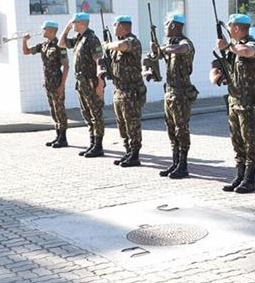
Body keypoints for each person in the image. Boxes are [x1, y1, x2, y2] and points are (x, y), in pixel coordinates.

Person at [212, 14, 255, 193]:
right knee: (237, 142)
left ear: (236, 28)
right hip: (234, 101)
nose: (228, 30)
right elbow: (220, 67)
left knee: (250, 142)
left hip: (249, 103)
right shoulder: (232, 51)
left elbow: (247, 52)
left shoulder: (252, 45)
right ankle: (240, 175)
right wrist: (218, 75)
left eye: (230, 27)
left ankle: (250, 179)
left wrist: (228, 46)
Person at [144, 13, 196, 179]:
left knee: (181, 129)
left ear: (174, 26)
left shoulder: (185, 43)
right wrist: (154, 51)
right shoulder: (169, 44)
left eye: (166, 25)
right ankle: (175, 162)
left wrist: (162, 48)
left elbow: (180, 49)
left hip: (181, 92)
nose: (165, 28)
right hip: (170, 92)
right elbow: (155, 57)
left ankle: (183, 165)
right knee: (171, 129)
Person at [59, 13, 105, 158]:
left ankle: (98, 146)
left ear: (81, 23)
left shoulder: (92, 39)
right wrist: (66, 29)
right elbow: (61, 43)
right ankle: (92, 143)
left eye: (73, 22)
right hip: (81, 83)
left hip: (92, 82)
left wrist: (100, 84)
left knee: (96, 115)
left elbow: (99, 61)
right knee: (87, 114)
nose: (72, 25)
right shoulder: (80, 38)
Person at [102, 16, 144, 167]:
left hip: (131, 90)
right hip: (119, 90)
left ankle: (135, 155)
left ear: (121, 26)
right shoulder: (115, 46)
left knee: (132, 123)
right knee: (122, 124)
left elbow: (122, 45)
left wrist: (107, 45)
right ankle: (128, 151)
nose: (113, 27)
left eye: (115, 24)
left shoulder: (132, 41)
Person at [23, 21, 70, 148]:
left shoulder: (60, 45)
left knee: (60, 111)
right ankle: (57, 136)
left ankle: (63, 138)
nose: (42, 31)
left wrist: (62, 85)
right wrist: (24, 41)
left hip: (57, 83)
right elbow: (26, 52)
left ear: (51, 30)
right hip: (48, 83)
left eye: (44, 29)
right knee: (54, 111)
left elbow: (66, 66)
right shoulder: (43, 45)